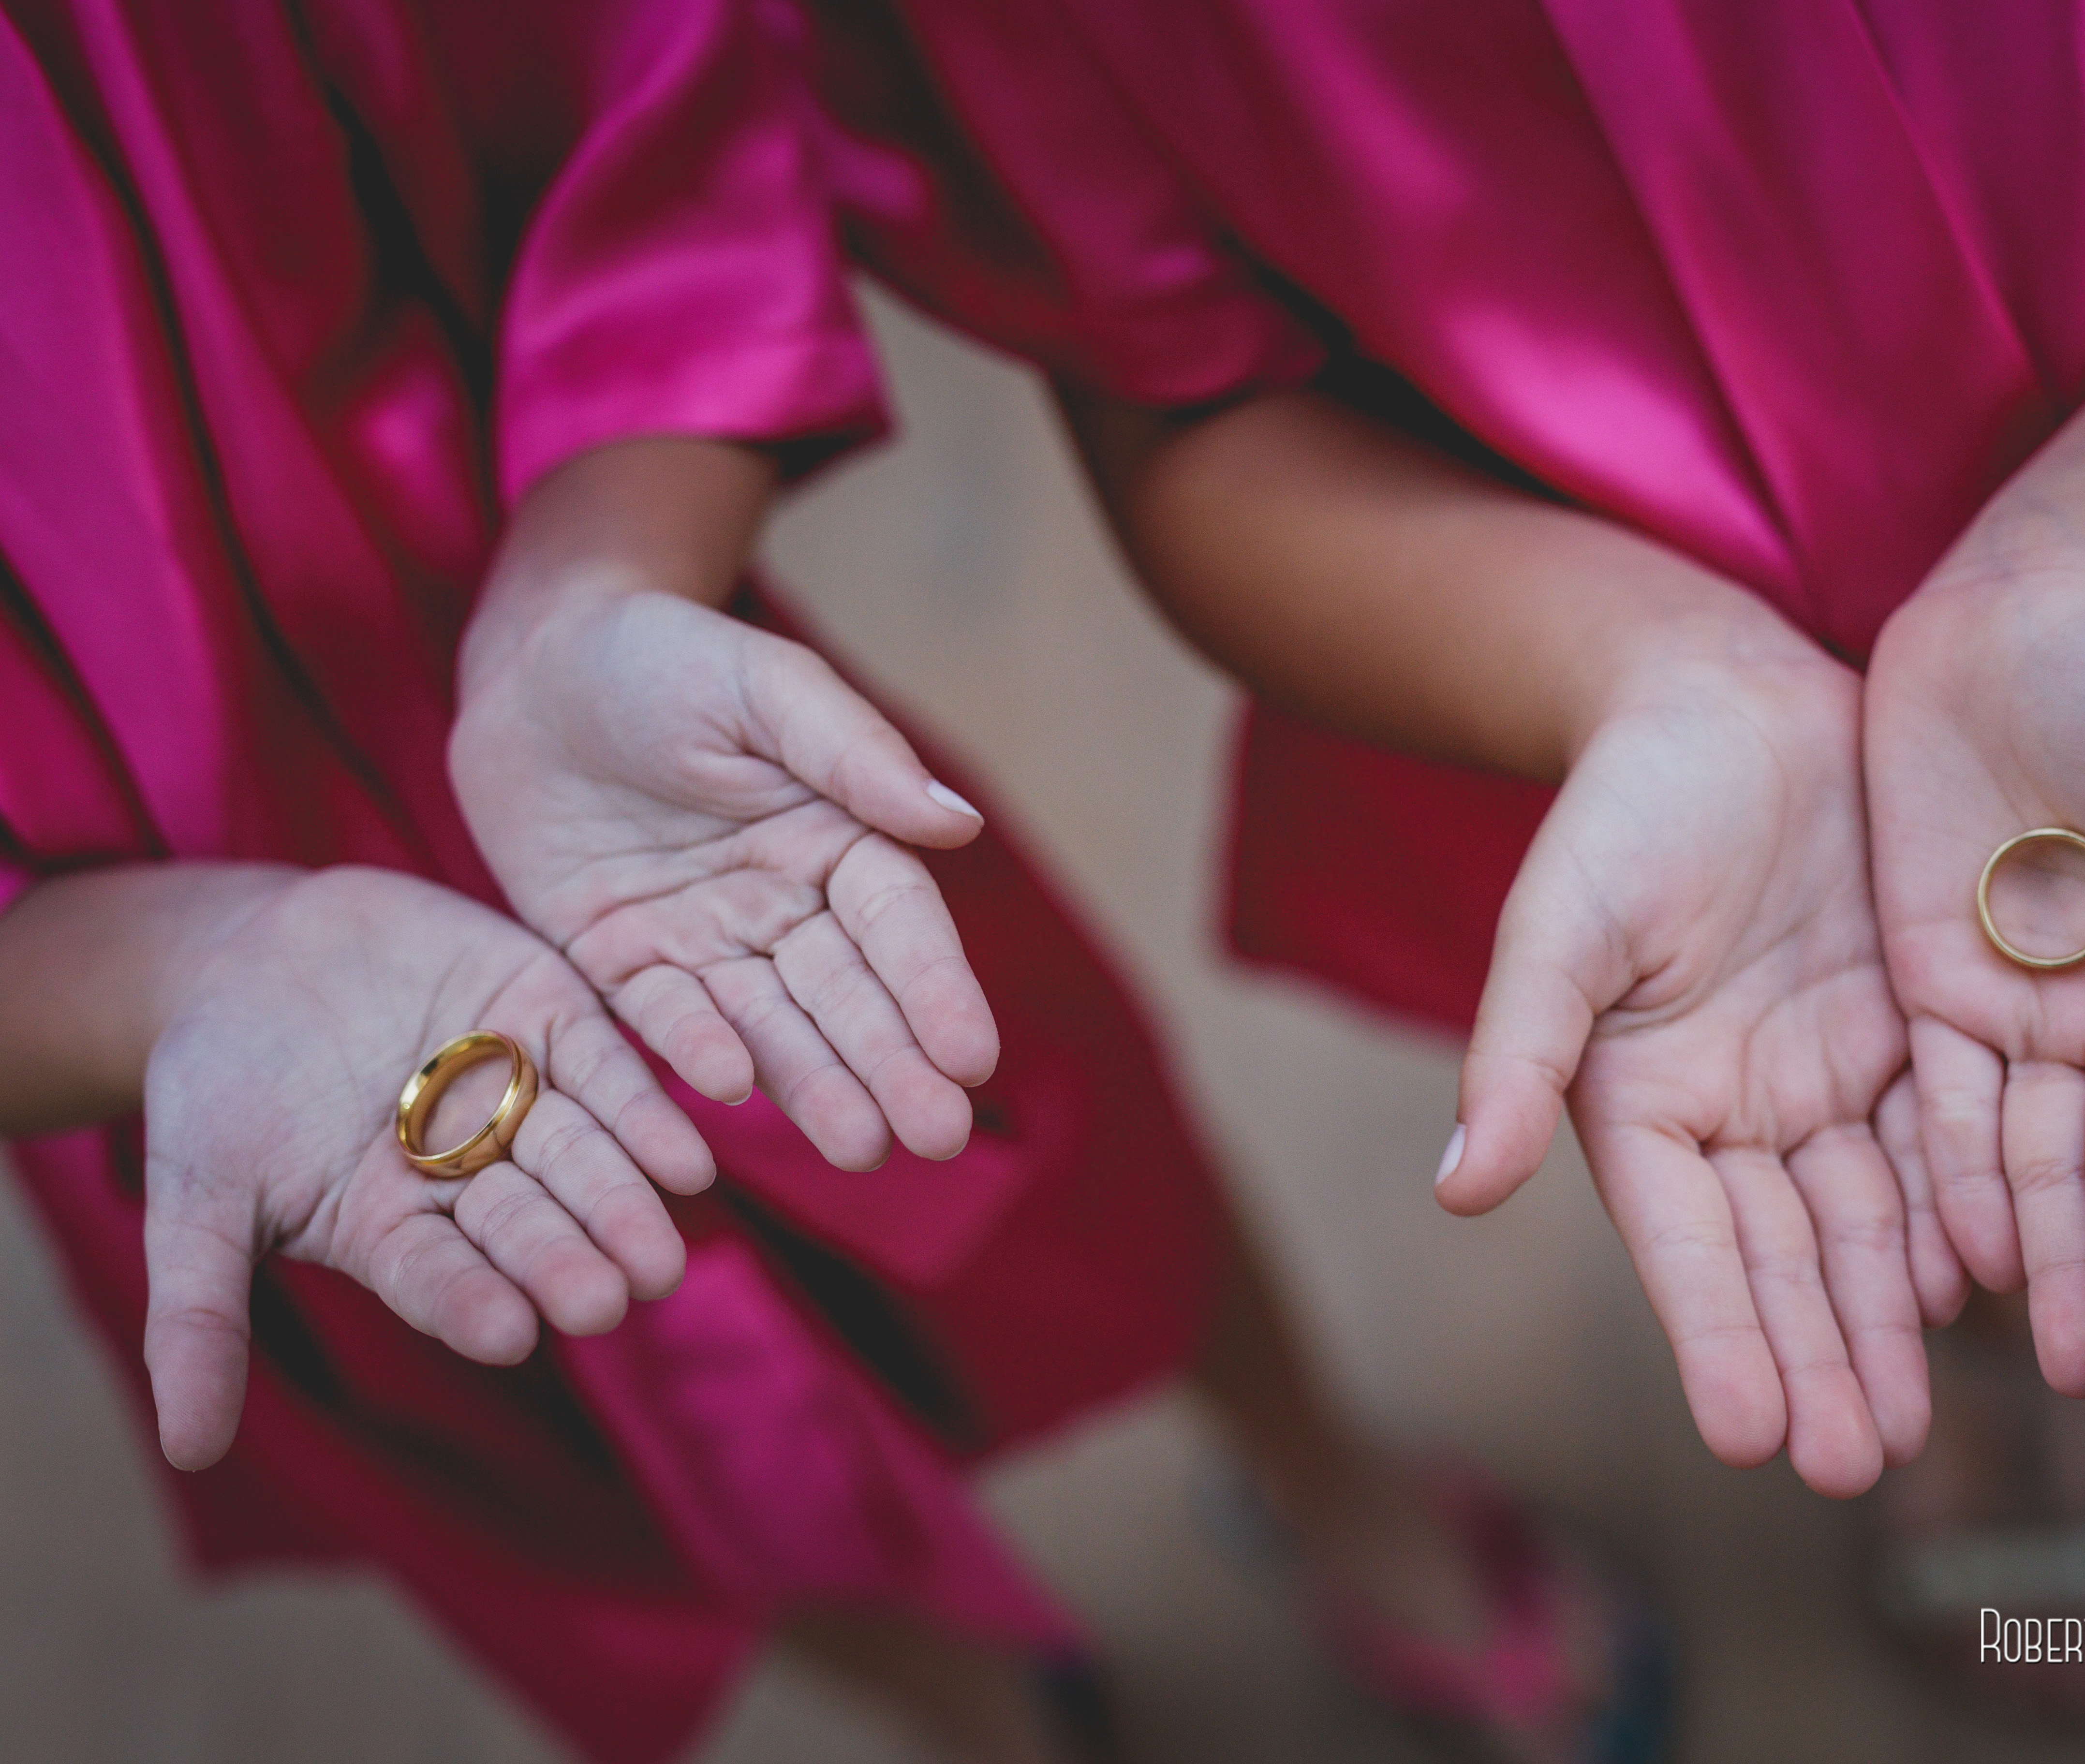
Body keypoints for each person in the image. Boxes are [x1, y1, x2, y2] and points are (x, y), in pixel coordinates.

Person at [806, 0, 2085, 1659]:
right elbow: (1185, 398)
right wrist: (1653, 671)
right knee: (1881, 1175)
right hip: (1570, 682)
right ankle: (1988, 1400)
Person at [0, 3, 1645, 1760]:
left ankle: (1326, 1482)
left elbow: (638, 140)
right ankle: (982, 1708)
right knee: (585, 1434)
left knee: (1067, 1151)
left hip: (655, 758)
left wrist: (585, 591)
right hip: (192, 1061)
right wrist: (175, 973)